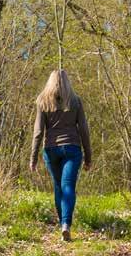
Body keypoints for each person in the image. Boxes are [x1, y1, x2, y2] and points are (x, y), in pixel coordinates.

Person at [29, 69, 92, 242]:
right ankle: (65, 224)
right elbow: (84, 131)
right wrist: (88, 156)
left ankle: (62, 223)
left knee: (59, 186)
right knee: (68, 186)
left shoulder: (43, 101)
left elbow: (38, 132)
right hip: (72, 148)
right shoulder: (75, 101)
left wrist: (33, 158)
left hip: (51, 149)